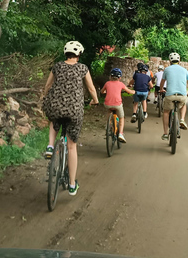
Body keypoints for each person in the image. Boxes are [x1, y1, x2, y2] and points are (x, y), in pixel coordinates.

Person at [41, 40, 99, 196]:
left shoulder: (57, 66)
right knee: (72, 147)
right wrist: (95, 100)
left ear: (65, 53)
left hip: (56, 106)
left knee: (54, 119)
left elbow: (47, 86)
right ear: (79, 55)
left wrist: (46, 96)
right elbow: (91, 88)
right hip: (74, 110)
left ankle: (50, 146)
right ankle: (72, 185)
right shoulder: (82, 68)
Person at [160, 52, 188, 140]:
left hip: (170, 95)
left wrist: (161, 89)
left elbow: (162, 82)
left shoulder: (167, 70)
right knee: (183, 104)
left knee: (166, 112)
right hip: (181, 95)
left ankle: (165, 133)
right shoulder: (184, 70)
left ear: (169, 61)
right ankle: (182, 119)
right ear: (179, 60)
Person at [101, 68, 135, 143]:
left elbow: (102, 91)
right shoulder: (121, 84)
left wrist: (106, 91)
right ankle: (120, 134)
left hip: (108, 104)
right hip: (117, 105)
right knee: (121, 118)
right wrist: (133, 91)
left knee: (109, 111)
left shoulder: (107, 83)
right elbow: (128, 91)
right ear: (120, 78)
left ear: (110, 76)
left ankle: (108, 125)